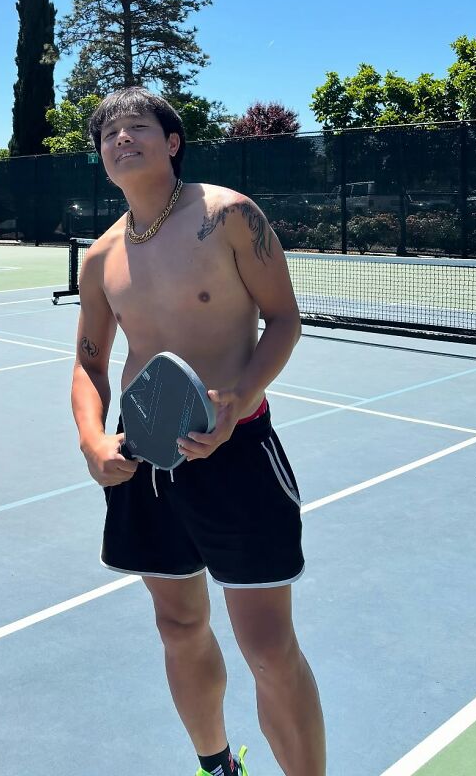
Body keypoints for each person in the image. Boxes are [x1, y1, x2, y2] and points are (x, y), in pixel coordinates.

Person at [71, 87, 326, 776]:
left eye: (138, 127)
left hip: (236, 450)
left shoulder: (230, 216)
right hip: (144, 459)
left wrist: (239, 399)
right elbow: (90, 367)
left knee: (269, 649)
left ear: (172, 142)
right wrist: (94, 441)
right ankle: (217, 767)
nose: (123, 139)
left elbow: (285, 320)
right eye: (109, 134)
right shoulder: (98, 259)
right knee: (178, 625)